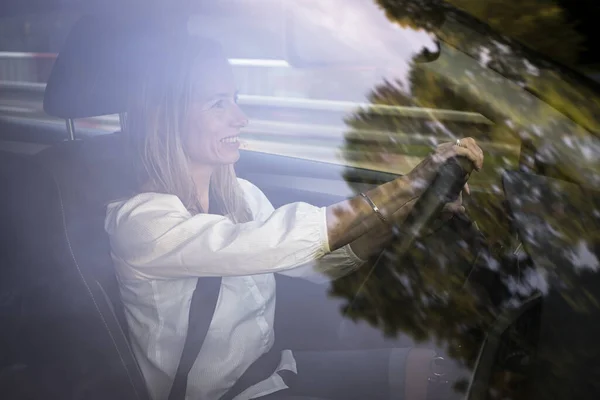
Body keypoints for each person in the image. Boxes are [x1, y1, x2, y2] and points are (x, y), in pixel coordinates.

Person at [104, 32, 484, 400]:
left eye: (235, 99)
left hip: (268, 374)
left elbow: (313, 261)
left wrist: (407, 217)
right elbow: (279, 241)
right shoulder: (143, 223)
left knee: (439, 373)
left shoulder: (241, 196)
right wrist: (408, 184)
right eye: (217, 103)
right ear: (164, 118)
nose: (240, 118)